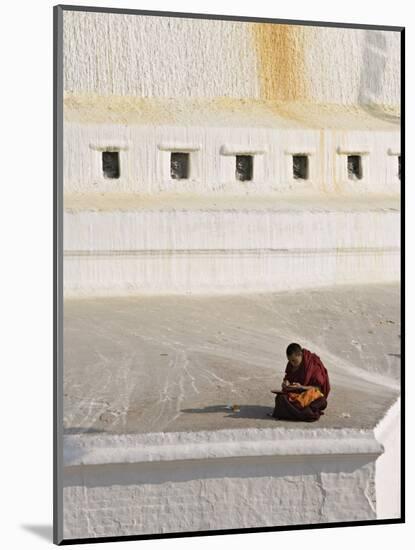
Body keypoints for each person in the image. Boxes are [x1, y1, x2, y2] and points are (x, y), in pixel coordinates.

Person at [269, 343, 330, 422]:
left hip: (310, 396)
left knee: (321, 401)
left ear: (300, 354)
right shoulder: (291, 364)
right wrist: (286, 383)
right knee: (280, 398)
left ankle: (297, 413)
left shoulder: (312, 363)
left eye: (294, 360)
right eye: (290, 361)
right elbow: (288, 378)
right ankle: (302, 413)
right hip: (298, 396)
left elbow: (319, 388)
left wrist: (301, 387)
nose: (292, 363)